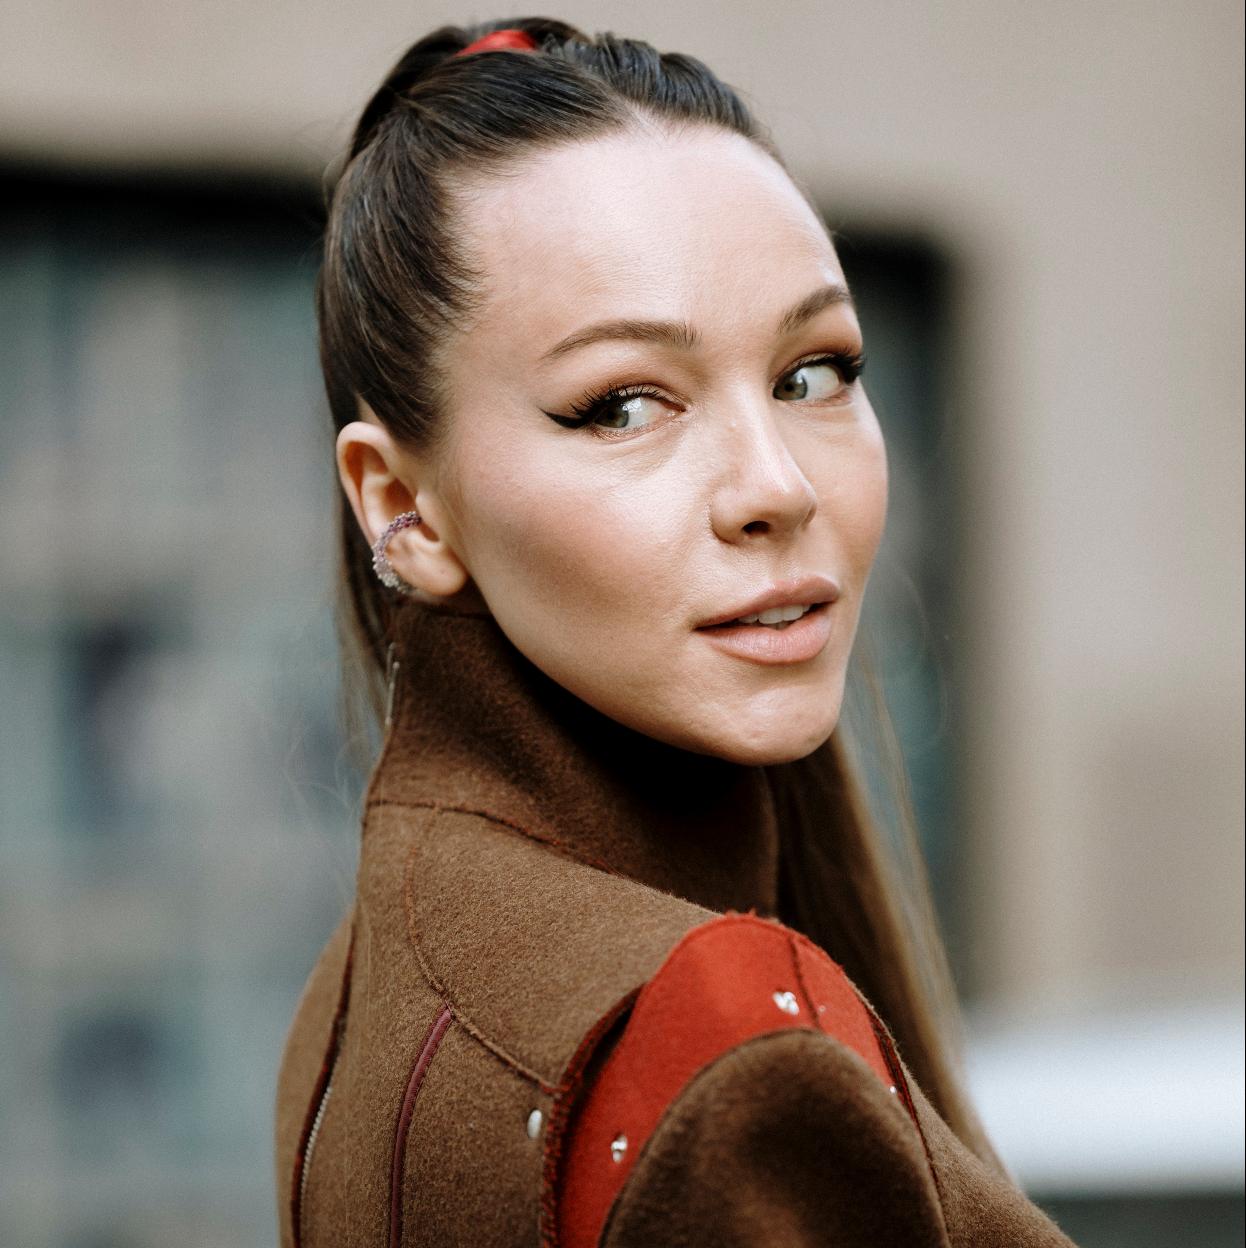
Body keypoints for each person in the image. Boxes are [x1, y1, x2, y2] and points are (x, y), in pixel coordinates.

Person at [275, 17, 1079, 1246]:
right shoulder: (722, 1055)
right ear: (404, 507)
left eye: (813, 374)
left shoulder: (355, 999)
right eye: (622, 405)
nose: (776, 487)